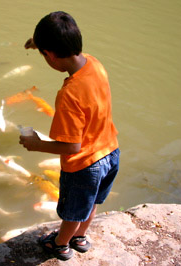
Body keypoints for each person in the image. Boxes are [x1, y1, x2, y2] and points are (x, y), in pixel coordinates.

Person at [19, 11, 120, 261]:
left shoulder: (69, 94)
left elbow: (72, 146)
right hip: (111, 152)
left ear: (50, 55)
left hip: (84, 165)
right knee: (91, 203)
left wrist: (36, 144)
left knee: (73, 211)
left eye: (44, 54)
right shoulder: (94, 63)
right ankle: (80, 238)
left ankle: (60, 244)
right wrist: (39, 43)